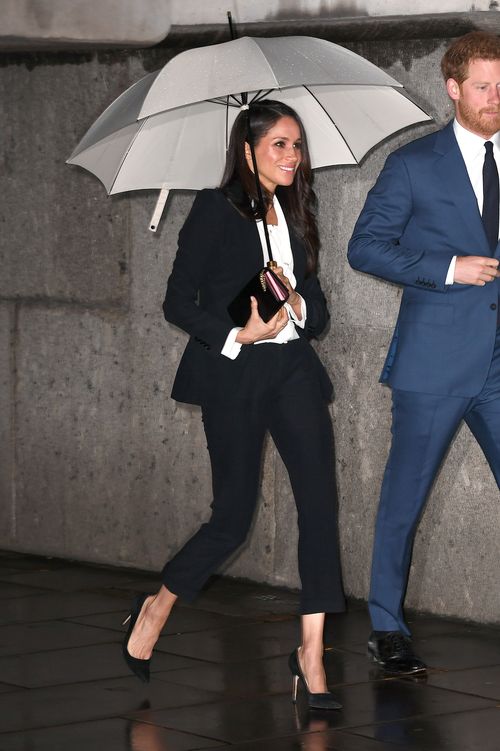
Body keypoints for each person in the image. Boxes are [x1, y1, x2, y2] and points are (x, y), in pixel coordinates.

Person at [122, 100, 345, 709]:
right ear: (246, 151)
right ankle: (159, 604)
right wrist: (235, 335)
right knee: (233, 517)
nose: (292, 156)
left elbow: (317, 303)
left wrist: (299, 304)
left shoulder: (296, 212)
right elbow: (176, 301)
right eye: (278, 144)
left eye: (297, 145)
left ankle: (312, 655)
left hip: (294, 370)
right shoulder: (214, 210)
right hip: (236, 372)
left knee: (320, 508)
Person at [348, 31, 500, 674]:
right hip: (435, 361)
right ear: (454, 88)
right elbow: (366, 247)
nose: (498, 97)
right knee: (403, 500)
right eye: (486, 86)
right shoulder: (414, 164)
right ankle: (387, 627)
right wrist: (446, 268)